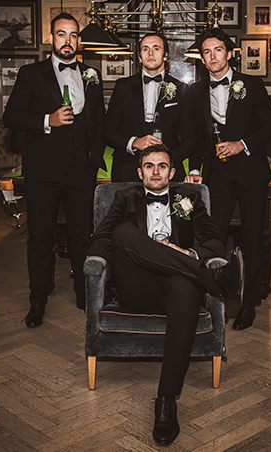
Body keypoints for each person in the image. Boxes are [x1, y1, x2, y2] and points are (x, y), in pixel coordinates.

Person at [88, 144, 243, 446]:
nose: (156, 171)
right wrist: (141, 251)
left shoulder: (190, 198)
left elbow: (214, 242)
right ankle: (215, 280)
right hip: (137, 287)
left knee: (185, 290)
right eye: (149, 166)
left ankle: (166, 401)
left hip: (178, 282)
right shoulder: (124, 197)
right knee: (122, 233)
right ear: (140, 172)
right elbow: (99, 241)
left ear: (172, 172)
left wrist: (185, 253)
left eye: (162, 166)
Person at [3, 12, 106, 328]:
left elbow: (98, 121)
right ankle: (37, 300)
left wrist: (94, 156)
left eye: (73, 35)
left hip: (81, 171)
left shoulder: (91, 74)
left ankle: (84, 294)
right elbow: (11, 116)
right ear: (51, 38)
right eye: (62, 34)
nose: (68, 40)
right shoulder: (31, 74)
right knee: (40, 239)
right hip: (43, 172)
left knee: (82, 236)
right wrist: (48, 120)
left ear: (79, 40)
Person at [185, 27, 271, 331]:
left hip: (251, 171)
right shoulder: (195, 91)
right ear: (202, 58)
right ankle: (212, 298)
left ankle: (249, 303)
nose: (212, 56)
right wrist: (195, 169)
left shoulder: (251, 85)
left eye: (217, 50)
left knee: (253, 239)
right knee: (212, 238)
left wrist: (242, 144)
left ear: (229, 53)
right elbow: (195, 138)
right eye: (206, 52)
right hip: (218, 174)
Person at [102, 33, 198, 182]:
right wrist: (134, 142)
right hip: (127, 170)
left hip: (168, 173)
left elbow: (191, 139)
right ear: (140, 57)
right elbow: (108, 132)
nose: (151, 53)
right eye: (145, 49)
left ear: (165, 55)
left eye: (156, 48)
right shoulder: (123, 87)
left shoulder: (182, 90)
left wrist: (167, 158)